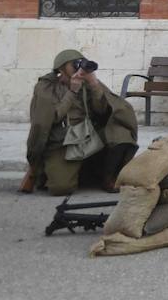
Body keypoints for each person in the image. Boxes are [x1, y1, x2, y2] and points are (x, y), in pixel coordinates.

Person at [24, 49, 138, 195]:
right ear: (61, 68)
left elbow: (103, 111)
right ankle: (59, 172)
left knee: (121, 134)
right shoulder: (46, 87)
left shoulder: (88, 83)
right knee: (61, 188)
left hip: (88, 135)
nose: (79, 69)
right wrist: (72, 92)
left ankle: (109, 178)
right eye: (74, 65)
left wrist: (94, 85)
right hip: (63, 142)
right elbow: (53, 117)